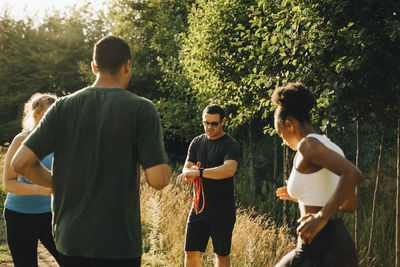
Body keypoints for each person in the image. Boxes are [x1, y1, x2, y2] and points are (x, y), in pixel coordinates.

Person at [10, 36, 171, 267]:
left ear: (94, 66)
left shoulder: (62, 107)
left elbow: (20, 164)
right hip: (119, 244)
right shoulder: (142, 109)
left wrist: (57, 184)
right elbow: (157, 179)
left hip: (70, 240)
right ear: (128, 66)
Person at [272, 82, 361, 267]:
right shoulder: (332, 147)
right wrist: (305, 198)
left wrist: (321, 217)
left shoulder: (307, 146)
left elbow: (353, 173)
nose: (284, 141)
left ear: (289, 123)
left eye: (281, 134)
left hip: (316, 250)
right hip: (341, 246)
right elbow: (349, 205)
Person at [176, 104, 240, 267]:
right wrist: (188, 173)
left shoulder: (230, 144)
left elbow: (229, 169)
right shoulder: (197, 142)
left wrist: (199, 172)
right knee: (190, 251)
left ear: (223, 122)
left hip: (222, 210)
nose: (209, 127)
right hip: (198, 207)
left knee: (221, 255)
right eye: (206, 123)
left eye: (214, 123)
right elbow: (186, 167)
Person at [2, 93, 61, 267]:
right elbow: (9, 184)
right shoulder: (21, 140)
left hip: (53, 215)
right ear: (36, 116)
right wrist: (42, 190)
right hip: (20, 217)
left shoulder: (61, 142)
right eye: (49, 116)